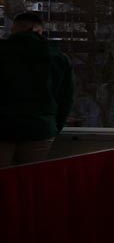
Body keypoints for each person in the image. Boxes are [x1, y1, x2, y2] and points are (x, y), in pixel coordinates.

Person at [0, 11, 74, 167]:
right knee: (29, 181)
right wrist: (53, 126)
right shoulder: (58, 57)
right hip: (40, 128)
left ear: (14, 28)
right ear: (38, 30)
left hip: (3, 127)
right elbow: (66, 99)